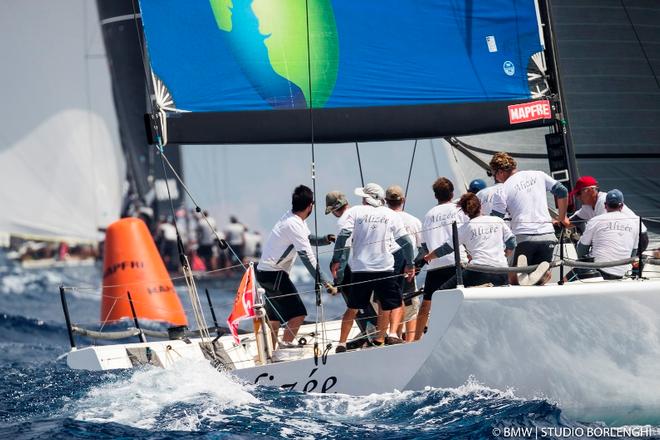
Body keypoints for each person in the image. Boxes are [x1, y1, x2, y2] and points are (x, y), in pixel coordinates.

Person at [331, 183, 415, 351]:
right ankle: (391, 335)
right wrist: (410, 263)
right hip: (384, 268)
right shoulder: (390, 214)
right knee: (394, 303)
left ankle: (341, 343)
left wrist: (336, 259)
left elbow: (343, 236)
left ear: (366, 198)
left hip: (361, 269)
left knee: (352, 308)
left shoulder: (355, 211)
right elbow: (406, 242)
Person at [256, 185, 335, 347]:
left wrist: (324, 239)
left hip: (265, 273)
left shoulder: (292, 218)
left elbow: (307, 238)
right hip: (274, 275)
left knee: (274, 317)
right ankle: (284, 350)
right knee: (298, 314)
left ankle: (271, 353)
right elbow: (307, 256)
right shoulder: (294, 224)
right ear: (310, 206)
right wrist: (326, 282)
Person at [489, 152, 569, 285]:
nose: (496, 178)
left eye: (494, 174)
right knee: (544, 276)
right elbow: (562, 191)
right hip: (548, 236)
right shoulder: (539, 174)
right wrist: (561, 218)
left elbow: (496, 220)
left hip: (523, 238)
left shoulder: (502, 189)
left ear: (501, 172)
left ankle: (524, 276)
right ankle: (538, 276)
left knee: (512, 279)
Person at [422, 193, 515, 289]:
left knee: (442, 291)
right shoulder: (497, 220)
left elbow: (446, 249)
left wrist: (428, 257)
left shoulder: (464, 228)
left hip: (477, 271)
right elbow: (512, 242)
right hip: (502, 271)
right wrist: (504, 255)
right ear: (480, 205)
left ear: (465, 212)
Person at [414, 177, 468, 341]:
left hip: (435, 265)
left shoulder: (428, 215)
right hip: (457, 262)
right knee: (462, 300)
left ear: (435, 196)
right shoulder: (459, 210)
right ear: (452, 193)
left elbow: (423, 244)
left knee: (426, 304)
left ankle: (416, 339)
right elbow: (467, 232)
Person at [573, 189, 640, 280]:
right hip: (624, 274)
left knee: (569, 275)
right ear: (622, 206)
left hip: (598, 272)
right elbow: (633, 253)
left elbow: (581, 250)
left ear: (605, 205)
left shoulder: (595, 221)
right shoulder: (634, 224)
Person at [384, 185, 423, 342]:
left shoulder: (383, 219)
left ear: (386, 201)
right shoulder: (414, 221)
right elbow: (423, 248)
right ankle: (410, 341)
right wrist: (416, 266)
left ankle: (395, 337)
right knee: (411, 308)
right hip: (408, 269)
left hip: (386, 269)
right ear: (403, 200)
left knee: (391, 303)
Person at [570, 175, 648, 252]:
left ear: (590, 190)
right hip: (622, 238)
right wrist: (560, 220)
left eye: (578, 193)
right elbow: (569, 222)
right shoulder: (587, 207)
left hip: (638, 238)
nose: (577, 197)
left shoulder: (605, 201)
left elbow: (604, 230)